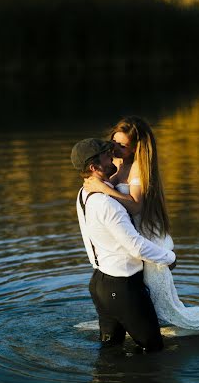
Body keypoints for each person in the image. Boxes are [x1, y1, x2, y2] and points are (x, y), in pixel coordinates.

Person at [83, 116, 199, 336]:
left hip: (148, 246)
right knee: (145, 308)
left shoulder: (140, 169)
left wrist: (103, 189)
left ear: (136, 148)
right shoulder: (117, 165)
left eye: (122, 146)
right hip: (134, 248)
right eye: (113, 143)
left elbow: (134, 207)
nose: (114, 149)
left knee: (169, 311)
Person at [71, 137, 177, 352]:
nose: (112, 156)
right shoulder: (108, 204)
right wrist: (169, 258)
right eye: (106, 155)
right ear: (94, 167)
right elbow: (136, 246)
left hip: (99, 284)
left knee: (111, 350)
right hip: (123, 289)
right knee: (154, 350)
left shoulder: (83, 194)